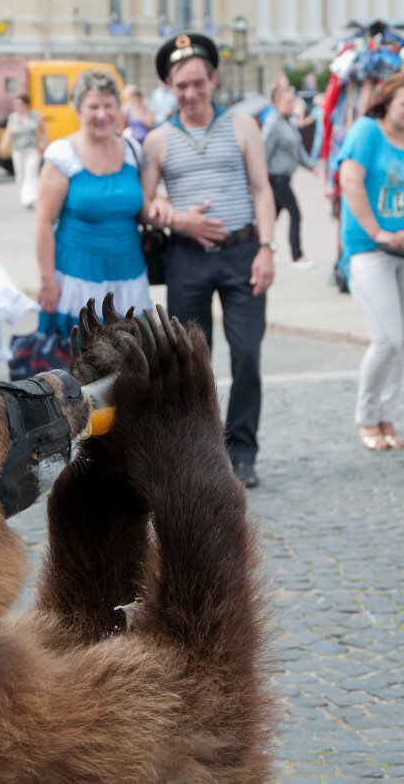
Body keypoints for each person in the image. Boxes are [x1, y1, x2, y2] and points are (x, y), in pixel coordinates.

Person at [140, 31, 277, 488]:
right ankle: (200, 452)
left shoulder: (243, 126)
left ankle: (243, 451)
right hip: (187, 260)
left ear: (214, 79)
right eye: (182, 86)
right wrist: (177, 219)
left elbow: (262, 190)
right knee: (191, 364)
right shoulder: (158, 141)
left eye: (199, 83)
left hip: (242, 254)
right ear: (169, 87)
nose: (192, 93)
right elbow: (145, 204)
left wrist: (267, 249)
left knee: (248, 354)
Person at [337, 72, 404, 451]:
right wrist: (377, 231)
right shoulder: (367, 131)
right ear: (388, 102)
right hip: (368, 249)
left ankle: (387, 417)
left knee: (403, 340)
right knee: (387, 338)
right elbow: (350, 181)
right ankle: (366, 417)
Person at [35, 69, 152, 332]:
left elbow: (144, 208)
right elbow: (43, 222)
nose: (102, 114)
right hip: (77, 279)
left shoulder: (132, 150)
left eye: (109, 105)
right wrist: (48, 282)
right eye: (93, 106)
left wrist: (165, 207)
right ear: (78, 110)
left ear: (118, 108)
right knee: (78, 366)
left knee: (131, 367)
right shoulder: (63, 155)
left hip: (129, 275)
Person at [262, 85, 317, 270]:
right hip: (275, 178)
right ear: (276, 103)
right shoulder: (273, 123)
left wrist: (311, 166)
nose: (291, 104)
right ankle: (297, 255)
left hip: (285, 176)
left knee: (270, 218)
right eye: (287, 101)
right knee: (295, 214)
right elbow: (262, 152)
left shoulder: (288, 122)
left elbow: (298, 148)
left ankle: (254, 249)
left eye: (292, 101)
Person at [0, 93, 46, 209]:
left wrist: (42, 141)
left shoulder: (35, 116)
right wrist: (3, 144)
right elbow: (8, 132)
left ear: (25, 105)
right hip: (18, 150)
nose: (16, 107)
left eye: (18, 104)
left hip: (32, 149)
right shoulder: (13, 117)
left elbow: (44, 130)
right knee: (21, 174)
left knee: (31, 173)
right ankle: (24, 196)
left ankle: (29, 199)